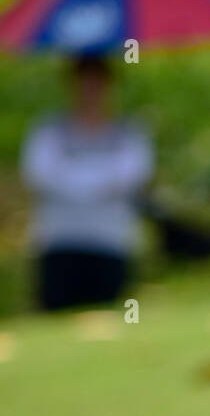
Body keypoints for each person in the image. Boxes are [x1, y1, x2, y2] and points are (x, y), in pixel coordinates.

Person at [20, 53, 153, 312]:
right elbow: (40, 175)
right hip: (59, 242)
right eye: (84, 83)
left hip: (111, 242)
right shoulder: (48, 130)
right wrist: (100, 179)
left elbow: (132, 176)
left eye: (97, 83)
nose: (90, 92)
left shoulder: (129, 133)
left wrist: (73, 176)